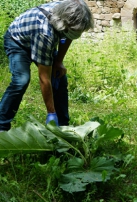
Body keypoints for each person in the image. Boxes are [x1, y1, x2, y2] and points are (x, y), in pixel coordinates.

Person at [0, 0, 94, 131]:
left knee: (59, 77)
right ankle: (2, 125)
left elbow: (68, 37)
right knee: (21, 81)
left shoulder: (73, 11)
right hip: (18, 41)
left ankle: (63, 126)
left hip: (42, 35)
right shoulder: (45, 33)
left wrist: (58, 62)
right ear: (63, 25)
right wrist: (51, 113)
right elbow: (44, 79)